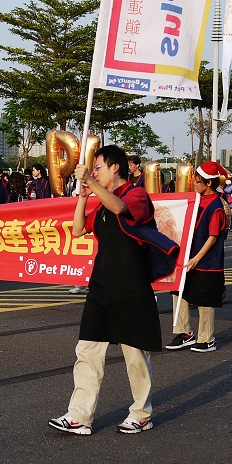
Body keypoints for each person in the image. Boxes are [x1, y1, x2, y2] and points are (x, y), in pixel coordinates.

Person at [48, 144, 175, 435]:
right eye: (92, 170)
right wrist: (83, 197)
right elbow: (78, 229)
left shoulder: (136, 195)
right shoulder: (101, 201)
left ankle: (141, 414)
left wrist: (91, 184)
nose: (94, 173)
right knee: (87, 350)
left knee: (135, 355)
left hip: (131, 287)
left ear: (115, 167)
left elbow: (121, 208)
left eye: (98, 168)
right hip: (101, 285)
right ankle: (79, 416)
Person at [167, 161, 229, 353]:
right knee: (179, 293)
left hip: (207, 261)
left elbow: (213, 237)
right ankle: (185, 333)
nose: (194, 184)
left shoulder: (217, 206)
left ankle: (206, 338)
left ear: (209, 183)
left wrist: (196, 258)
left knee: (205, 300)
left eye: (198, 181)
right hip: (187, 256)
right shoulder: (195, 199)